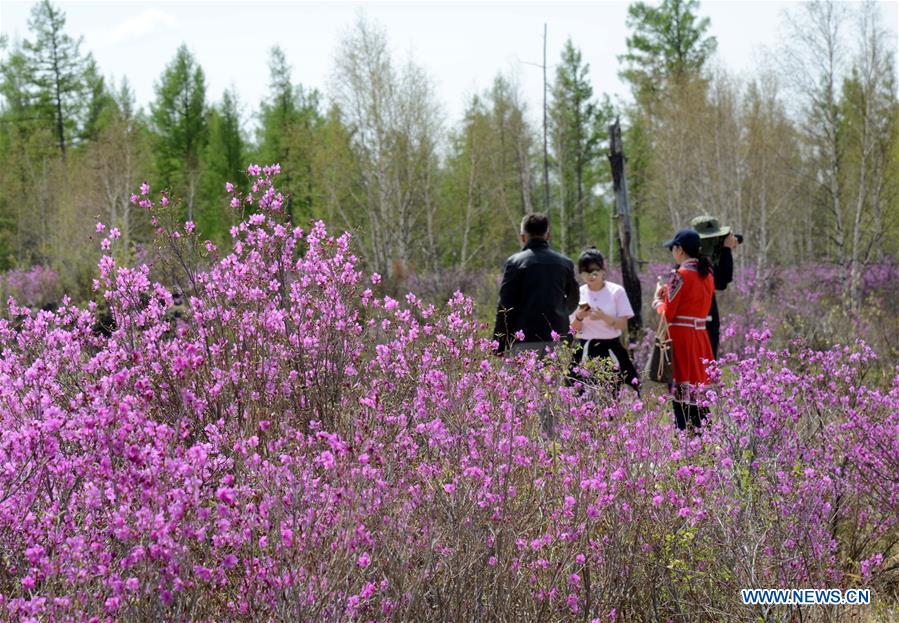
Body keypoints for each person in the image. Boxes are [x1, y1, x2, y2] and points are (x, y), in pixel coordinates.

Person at [653, 229, 715, 431]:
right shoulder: (708, 275)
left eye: (673, 248)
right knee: (698, 395)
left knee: (681, 396)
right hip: (700, 337)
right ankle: (706, 437)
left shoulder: (679, 275)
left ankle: (685, 439)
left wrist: (657, 302)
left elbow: (667, 315)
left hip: (681, 339)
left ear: (679, 249)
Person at [493, 213, 580, 356]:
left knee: (524, 372)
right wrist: (560, 312)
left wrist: (499, 344)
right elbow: (574, 299)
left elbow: (504, 305)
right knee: (554, 372)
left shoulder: (515, 263)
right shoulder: (565, 263)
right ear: (548, 236)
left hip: (522, 341)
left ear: (523, 237)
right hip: (557, 339)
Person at [568, 248, 640, 394]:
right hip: (585, 349)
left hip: (611, 348)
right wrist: (580, 317)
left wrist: (603, 317)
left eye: (594, 271)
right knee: (580, 395)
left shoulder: (616, 291)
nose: (590, 276)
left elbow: (622, 325)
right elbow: (573, 330)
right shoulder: (579, 293)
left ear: (603, 270)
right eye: (585, 272)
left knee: (614, 393)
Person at [691, 215, 739, 359]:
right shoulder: (696, 264)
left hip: (704, 319)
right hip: (700, 321)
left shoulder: (695, 260)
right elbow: (722, 280)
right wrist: (726, 249)